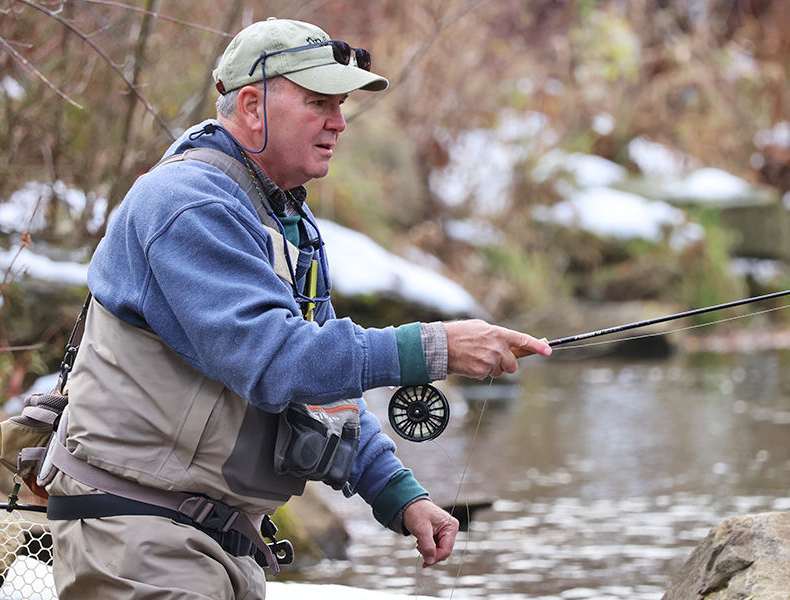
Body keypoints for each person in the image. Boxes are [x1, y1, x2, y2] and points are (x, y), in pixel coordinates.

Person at [44, 17, 551, 600]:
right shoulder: (187, 205)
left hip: (211, 540)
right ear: (253, 107)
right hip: (137, 537)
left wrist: (397, 493)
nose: (339, 122)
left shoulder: (281, 217)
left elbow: (323, 377)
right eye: (318, 103)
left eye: (340, 105)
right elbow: (276, 360)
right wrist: (436, 348)